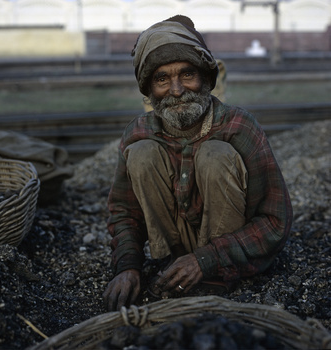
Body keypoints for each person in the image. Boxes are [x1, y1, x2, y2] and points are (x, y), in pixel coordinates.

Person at [103, 15, 293, 312]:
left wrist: (207, 260)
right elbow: (123, 212)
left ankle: (213, 276)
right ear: (149, 89)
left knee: (215, 154)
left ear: (206, 78)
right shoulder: (138, 132)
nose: (177, 90)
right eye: (162, 79)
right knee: (142, 154)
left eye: (187, 75)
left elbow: (275, 222)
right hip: (173, 251)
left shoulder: (240, 127)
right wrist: (128, 266)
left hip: (230, 255)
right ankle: (173, 263)